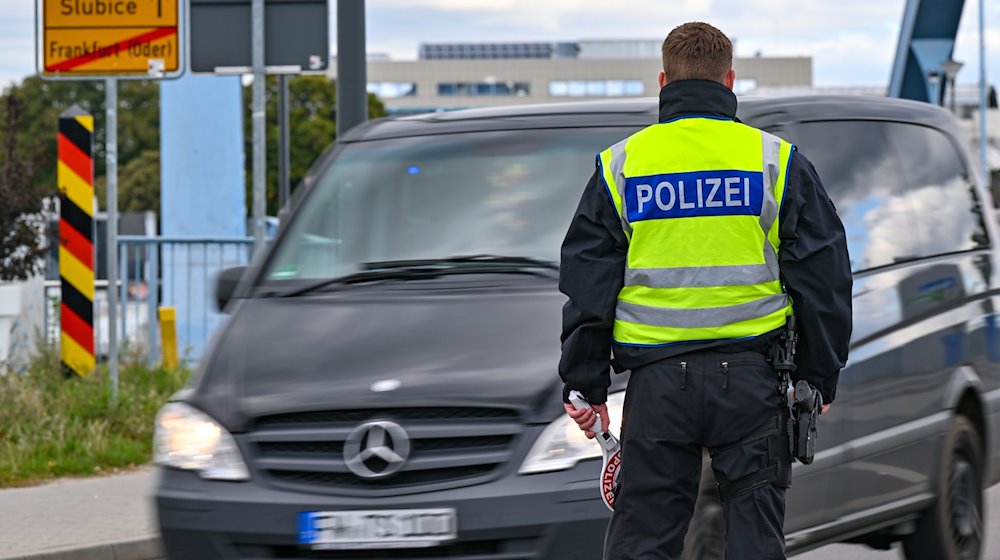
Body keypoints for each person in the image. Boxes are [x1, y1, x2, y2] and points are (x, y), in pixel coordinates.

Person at [558, 22, 852, 560]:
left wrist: (586, 386)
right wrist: (818, 377)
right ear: (731, 81)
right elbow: (825, 276)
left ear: (664, 80)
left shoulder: (620, 165)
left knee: (643, 541)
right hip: (751, 384)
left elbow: (587, 285)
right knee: (755, 543)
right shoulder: (775, 162)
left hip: (657, 391)